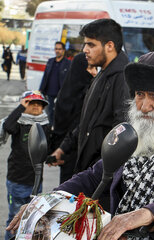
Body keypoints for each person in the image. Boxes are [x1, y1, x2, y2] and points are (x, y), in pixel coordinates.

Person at [7, 48, 154, 240]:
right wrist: (46, 202)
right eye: (139, 94)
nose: (144, 106)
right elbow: (94, 176)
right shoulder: (134, 137)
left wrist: (148, 213)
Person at [50, 19, 130, 176]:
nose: (84, 49)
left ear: (109, 46)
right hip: (86, 172)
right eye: (85, 44)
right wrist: (63, 148)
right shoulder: (101, 75)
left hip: (100, 178)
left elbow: (120, 134)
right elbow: (87, 122)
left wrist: (98, 174)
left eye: (91, 45)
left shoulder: (122, 78)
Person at [3, 91, 50, 240]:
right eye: (32, 103)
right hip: (17, 180)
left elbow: (50, 147)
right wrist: (20, 108)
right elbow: (7, 127)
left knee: (32, 220)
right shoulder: (19, 123)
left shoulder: (45, 124)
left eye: (39, 104)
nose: (36, 107)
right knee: (15, 219)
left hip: (36, 181)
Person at [52, 52, 97, 183]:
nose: (94, 73)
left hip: (75, 154)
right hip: (71, 154)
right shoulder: (85, 96)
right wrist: (59, 149)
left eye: (95, 68)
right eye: (90, 68)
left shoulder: (68, 93)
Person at [39, 41, 71, 126]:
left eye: (60, 49)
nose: (57, 51)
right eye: (56, 49)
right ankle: (50, 131)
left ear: (63, 50)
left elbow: (70, 80)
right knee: (50, 114)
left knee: (60, 115)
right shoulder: (50, 61)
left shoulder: (68, 63)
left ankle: (57, 131)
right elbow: (45, 76)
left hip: (61, 94)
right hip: (49, 94)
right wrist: (41, 90)